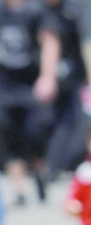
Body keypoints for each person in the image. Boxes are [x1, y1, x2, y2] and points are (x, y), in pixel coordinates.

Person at [0, 0, 59, 205]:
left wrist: (48, 76)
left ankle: (39, 171)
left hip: (31, 85)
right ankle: (19, 189)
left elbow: (50, 41)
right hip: (5, 86)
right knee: (9, 137)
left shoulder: (36, 10)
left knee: (36, 134)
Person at [42, 0, 87, 176]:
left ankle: (56, 164)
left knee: (68, 123)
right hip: (43, 78)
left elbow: (76, 47)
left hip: (69, 77)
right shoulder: (37, 11)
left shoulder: (70, 11)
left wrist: (84, 76)